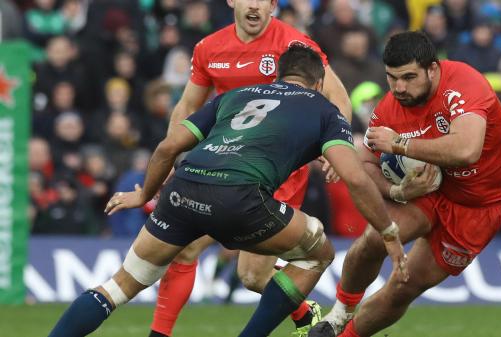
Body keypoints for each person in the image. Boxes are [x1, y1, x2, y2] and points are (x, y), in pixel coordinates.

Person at [47, 44, 408, 337]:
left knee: (119, 285)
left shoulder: (235, 96)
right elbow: (357, 179)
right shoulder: (323, 109)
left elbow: (167, 148)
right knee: (317, 253)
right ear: (317, 84)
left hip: (183, 189)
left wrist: (144, 195)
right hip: (239, 198)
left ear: (279, 75)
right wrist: (389, 232)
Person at [150, 1, 352, 336]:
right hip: (222, 164)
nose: (255, 4)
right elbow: (188, 104)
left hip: (278, 170)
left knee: (253, 277)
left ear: (273, 5)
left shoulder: (294, 46)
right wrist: (172, 153)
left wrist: (334, 148)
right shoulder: (209, 48)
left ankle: (302, 310)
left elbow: (337, 97)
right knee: (183, 247)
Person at [308, 31, 501, 337]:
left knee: (403, 287)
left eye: (408, 77)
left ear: (433, 69)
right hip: (430, 189)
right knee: (378, 237)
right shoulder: (388, 109)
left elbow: (466, 150)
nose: (400, 88)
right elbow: (364, 163)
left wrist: (401, 144)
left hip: (480, 206)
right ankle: (337, 316)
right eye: (392, 78)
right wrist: (396, 191)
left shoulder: (464, 84)